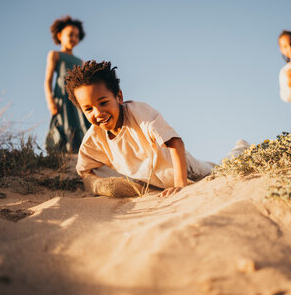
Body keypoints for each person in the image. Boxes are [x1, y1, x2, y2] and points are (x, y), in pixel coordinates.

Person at [65, 60, 215, 198]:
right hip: (157, 184)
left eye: (103, 102)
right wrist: (101, 185)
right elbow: (84, 171)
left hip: (185, 169)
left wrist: (180, 186)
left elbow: (176, 143)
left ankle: (239, 147)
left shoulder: (139, 113)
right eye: (89, 109)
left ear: (119, 97)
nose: (98, 113)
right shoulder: (94, 139)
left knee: (214, 170)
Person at [44, 15, 90, 153]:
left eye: (77, 36)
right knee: (62, 123)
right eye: (70, 34)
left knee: (81, 123)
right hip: (62, 96)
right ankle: (63, 154)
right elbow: (48, 80)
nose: (74, 38)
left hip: (78, 97)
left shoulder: (80, 61)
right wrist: (50, 100)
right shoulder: (55, 55)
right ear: (59, 35)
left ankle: (85, 152)